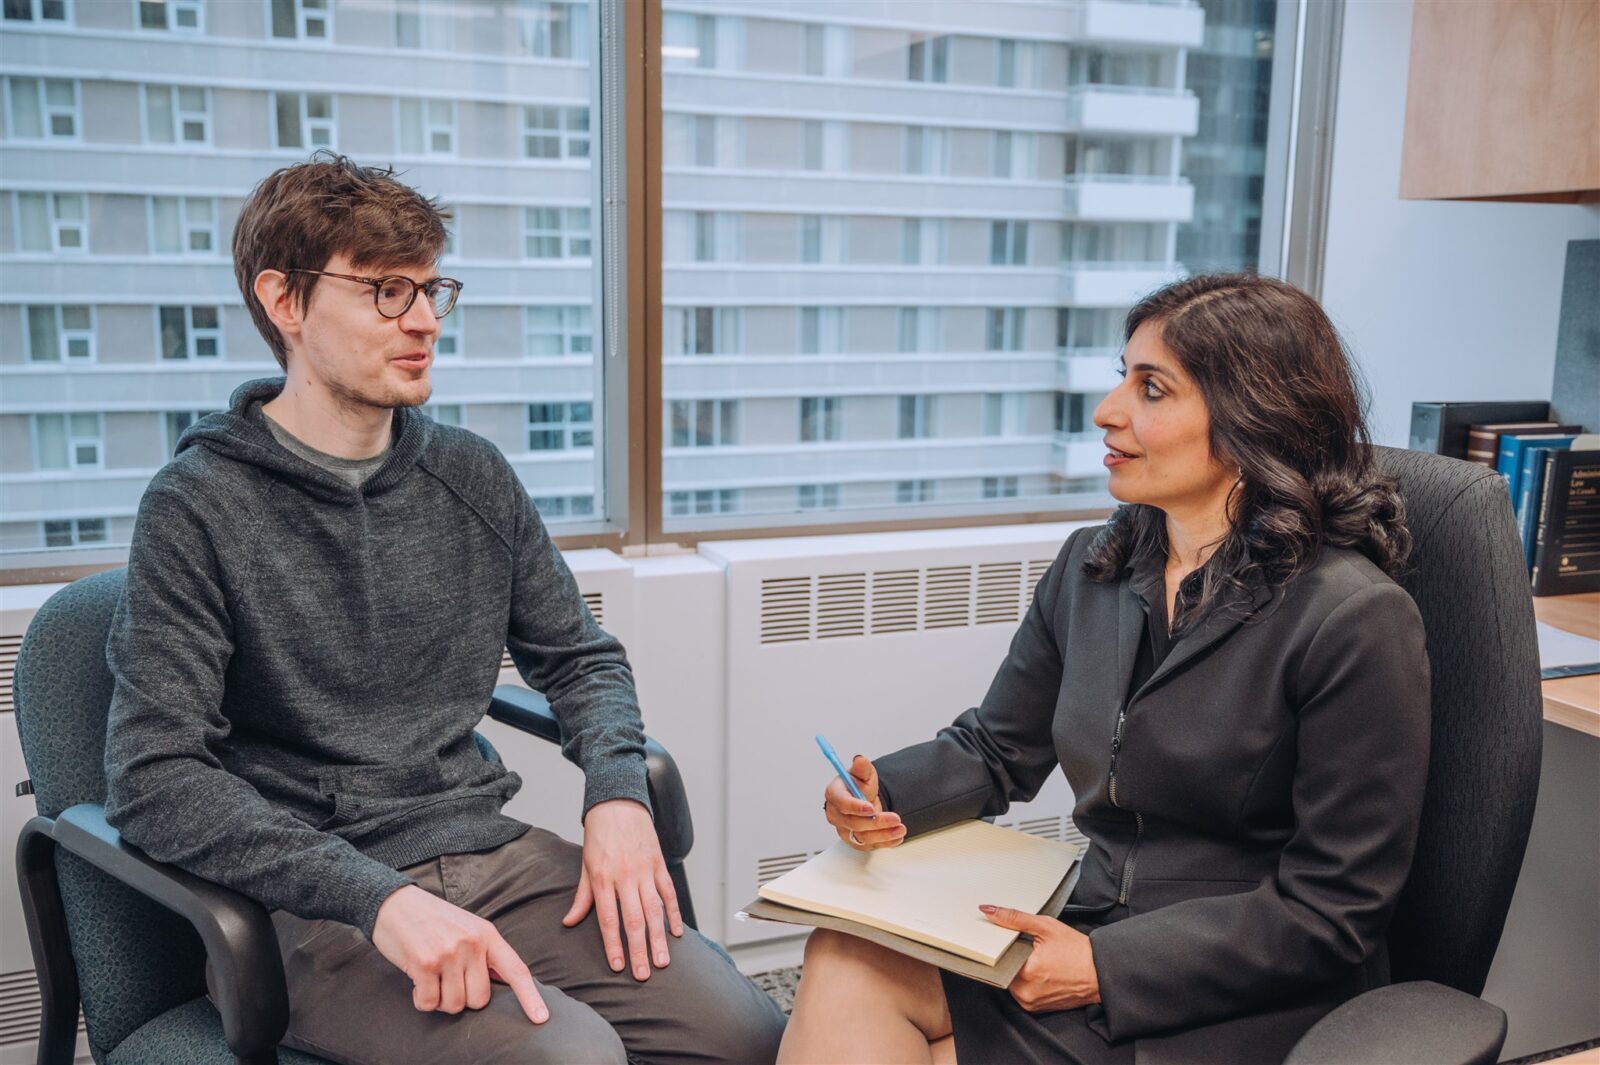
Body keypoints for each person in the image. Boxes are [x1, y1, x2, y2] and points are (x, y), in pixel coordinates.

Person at [102, 153, 785, 1065]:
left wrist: (617, 795)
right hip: (316, 903)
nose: (423, 319)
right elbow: (153, 775)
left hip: (489, 853)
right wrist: (375, 896)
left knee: (749, 1033)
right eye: (386, 291)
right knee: (570, 1056)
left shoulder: (470, 475)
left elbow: (581, 659)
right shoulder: (196, 506)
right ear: (285, 301)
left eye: (430, 289)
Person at [779, 273, 1430, 1065]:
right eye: (1122, 375)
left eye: (1151, 388)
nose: (1108, 410)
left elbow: (1335, 908)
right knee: (843, 955)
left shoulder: (1353, 618)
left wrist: (1104, 967)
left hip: (1236, 991)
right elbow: (997, 748)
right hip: (1086, 925)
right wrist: (884, 792)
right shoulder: (1096, 565)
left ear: (1252, 417)